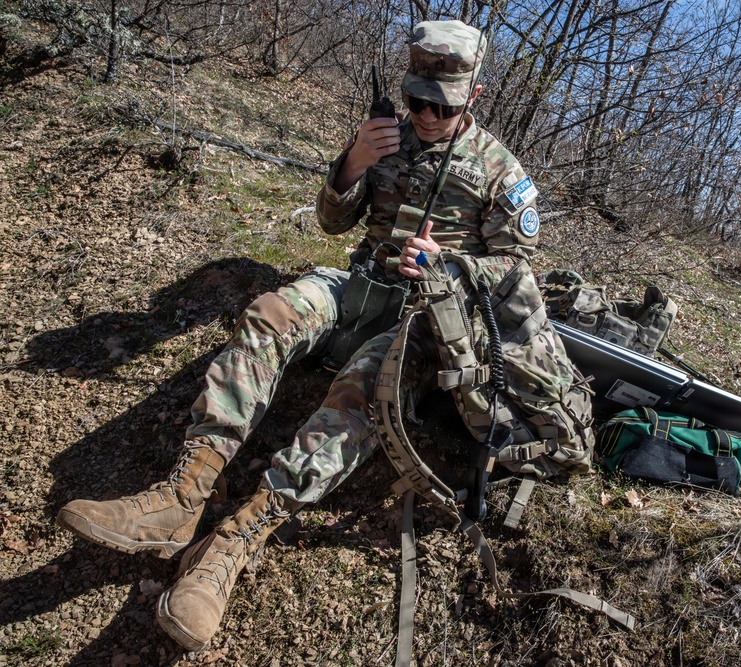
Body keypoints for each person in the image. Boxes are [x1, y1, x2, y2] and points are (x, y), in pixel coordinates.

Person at [55, 20, 566, 652]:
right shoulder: (385, 135)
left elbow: (515, 270)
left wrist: (449, 264)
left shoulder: (498, 169)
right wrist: (352, 161)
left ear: (475, 96)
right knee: (269, 314)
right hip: (357, 285)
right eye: (416, 100)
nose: (427, 115)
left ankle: (234, 542)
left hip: (425, 318)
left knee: (363, 389)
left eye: (443, 105)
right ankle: (182, 495)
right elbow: (330, 223)